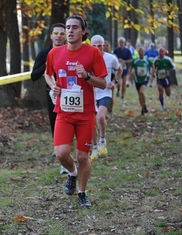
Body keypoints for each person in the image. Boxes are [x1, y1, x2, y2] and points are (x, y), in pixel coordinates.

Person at [44, 15, 107, 207]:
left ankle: (82, 192)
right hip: (63, 111)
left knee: (82, 156)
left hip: (86, 112)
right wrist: (54, 85)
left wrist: (87, 76)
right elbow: (48, 74)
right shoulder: (55, 53)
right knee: (61, 153)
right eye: (68, 28)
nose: (70, 31)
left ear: (83, 31)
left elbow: (103, 82)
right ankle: (72, 173)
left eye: (74, 28)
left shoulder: (93, 53)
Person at [31, 23, 68, 174]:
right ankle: (63, 159)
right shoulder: (44, 53)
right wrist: (48, 64)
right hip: (52, 93)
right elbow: (33, 76)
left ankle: (68, 156)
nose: (59, 36)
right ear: (51, 36)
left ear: (66, 36)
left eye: (62, 33)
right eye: (56, 33)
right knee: (56, 125)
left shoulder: (70, 51)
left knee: (69, 125)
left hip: (71, 93)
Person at [90, 35, 122, 162]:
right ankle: (95, 147)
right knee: (92, 123)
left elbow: (119, 69)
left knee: (100, 117)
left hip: (105, 92)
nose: (97, 48)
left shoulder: (110, 58)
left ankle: (102, 139)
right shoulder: (87, 57)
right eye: (94, 45)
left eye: (100, 45)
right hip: (91, 94)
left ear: (104, 45)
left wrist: (115, 81)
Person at [129, 47, 154, 115]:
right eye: (140, 51)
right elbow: (131, 67)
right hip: (137, 80)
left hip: (145, 79)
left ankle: (144, 105)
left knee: (141, 92)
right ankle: (143, 108)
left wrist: (151, 74)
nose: (141, 52)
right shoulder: (135, 60)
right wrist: (131, 74)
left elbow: (152, 66)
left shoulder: (147, 60)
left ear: (144, 52)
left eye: (142, 51)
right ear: (138, 52)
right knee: (139, 95)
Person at [113, 37, 133, 103]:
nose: (121, 43)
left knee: (124, 84)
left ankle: (122, 97)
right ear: (118, 43)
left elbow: (130, 60)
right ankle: (118, 90)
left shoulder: (127, 51)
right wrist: (117, 60)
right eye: (120, 42)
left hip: (125, 69)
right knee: (118, 83)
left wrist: (124, 61)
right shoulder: (115, 50)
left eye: (122, 42)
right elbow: (113, 58)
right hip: (118, 69)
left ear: (124, 43)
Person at [103, 40, 117, 118]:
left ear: (110, 47)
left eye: (107, 45)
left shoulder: (113, 57)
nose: (105, 47)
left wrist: (114, 81)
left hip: (110, 77)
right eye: (103, 45)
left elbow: (118, 68)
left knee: (110, 95)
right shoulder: (99, 55)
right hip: (101, 78)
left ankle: (110, 110)